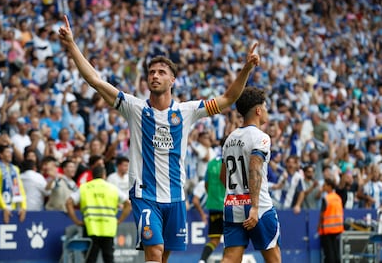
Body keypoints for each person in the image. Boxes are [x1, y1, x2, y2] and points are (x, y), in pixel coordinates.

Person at [59, 15, 260, 263]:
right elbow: (95, 81)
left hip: (175, 197)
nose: (155, 75)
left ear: (172, 80)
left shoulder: (187, 111)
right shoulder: (133, 108)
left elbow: (228, 98)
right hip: (145, 195)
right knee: (153, 252)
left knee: (163, 257)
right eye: (151, 72)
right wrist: (71, 44)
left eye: (161, 72)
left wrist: (247, 68)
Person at [220, 87, 281, 263]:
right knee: (273, 257)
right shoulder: (261, 137)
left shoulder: (230, 138)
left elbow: (224, 177)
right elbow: (254, 168)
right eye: (266, 107)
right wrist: (253, 207)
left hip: (233, 204)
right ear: (258, 110)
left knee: (230, 258)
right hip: (258, 207)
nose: (267, 111)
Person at [66, 166, 131, 263]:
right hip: (108, 229)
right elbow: (128, 204)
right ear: (104, 175)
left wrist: (76, 220)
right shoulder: (112, 188)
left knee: (90, 259)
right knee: (109, 259)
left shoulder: (85, 187)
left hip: (90, 228)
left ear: (92, 175)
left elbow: (69, 202)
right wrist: (120, 220)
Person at [0, 144, 27, 224]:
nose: (10, 154)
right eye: (7, 152)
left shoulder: (15, 169)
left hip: (14, 208)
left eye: (10, 152)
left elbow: (20, 189)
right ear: (1, 155)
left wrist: (23, 207)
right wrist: (4, 208)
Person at [198, 156, 225, 263]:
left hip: (213, 205)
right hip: (227, 205)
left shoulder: (211, 163)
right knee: (231, 240)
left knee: (214, 240)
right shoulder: (229, 160)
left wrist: (212, 196)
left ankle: (202, 260)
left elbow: (206, 183)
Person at [318, 178, 344, 263]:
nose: (323, 187)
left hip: (327, 229)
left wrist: (319, 227)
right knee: (336, 252)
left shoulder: (326, 198)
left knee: (329, 254)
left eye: (324, 185)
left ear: (329, 186)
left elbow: (322, 214)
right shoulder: (338, 198)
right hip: (338, 229)